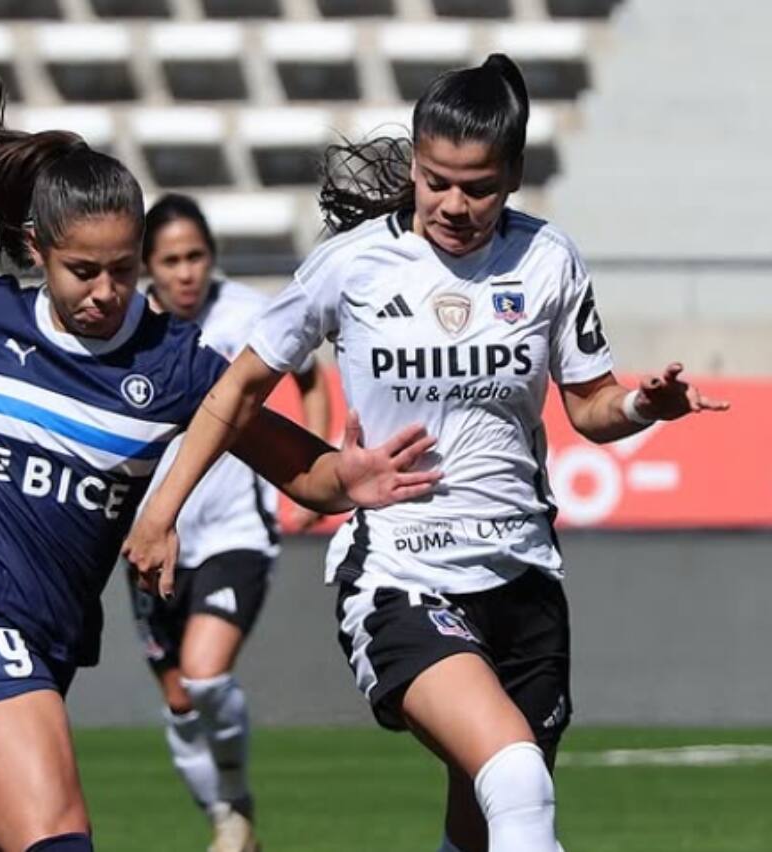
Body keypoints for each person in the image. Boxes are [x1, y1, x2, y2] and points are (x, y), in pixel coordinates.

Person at [0, 84, 441, 852]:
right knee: (60, 839)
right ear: (36, 250)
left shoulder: (177, 366)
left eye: (123, 269)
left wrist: (348, 478)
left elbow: (302, 470)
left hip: (43, 657)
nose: (104, 292)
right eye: (82, 270)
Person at [123, 54, 730, 852]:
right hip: (399, 575)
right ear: (414, 161)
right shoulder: (351, 266)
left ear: (511, 175)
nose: (452, 204)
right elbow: (236, 390)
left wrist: (641, 406)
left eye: (476, 186)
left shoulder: (548, 260)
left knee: (486, 826)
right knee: (516, 778)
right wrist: (162, 507)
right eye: (435, 179)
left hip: (522, 575)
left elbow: (590, 406)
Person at [126, 194, 332, 852]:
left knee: (206, 673)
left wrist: (311, 469)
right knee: (180, 702)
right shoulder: (125, 325)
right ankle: (227, 825)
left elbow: (311, 374)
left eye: (196, 257)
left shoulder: (249, 313)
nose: (185, 272)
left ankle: (236, 807)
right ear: (146, 268)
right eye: (170, 261)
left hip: (236, 529)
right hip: (151, 537)